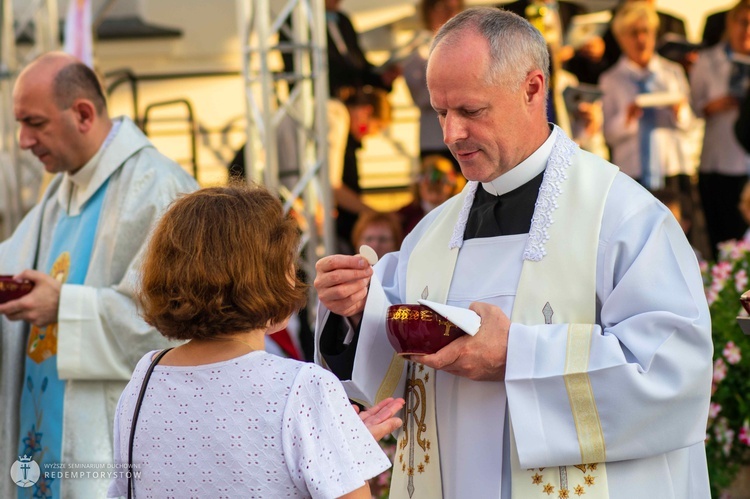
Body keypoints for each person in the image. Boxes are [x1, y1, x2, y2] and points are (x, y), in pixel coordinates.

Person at [313, 7, 712, 499]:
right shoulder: (430, 235)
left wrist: (516, 356)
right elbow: (388, 376)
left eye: (471, 111)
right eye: (441, 112)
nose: (450, 135)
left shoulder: (623, 218)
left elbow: (672, 372)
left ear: (532, 88)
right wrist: (356, 312)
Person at [107, 185, 404, 498]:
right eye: (288, 259)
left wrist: (339, 449)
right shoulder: (302, 387)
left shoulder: (145, 377)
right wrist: (345, 455)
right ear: (266, 274)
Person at [0, 52, 198, 499]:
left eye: (34, 123)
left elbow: (174, 323)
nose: (23, 140)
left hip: (105, 437)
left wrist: (64, 306)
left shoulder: (158, 188)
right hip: (41, 421)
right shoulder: (62, 191)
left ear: (83, 114)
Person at [599, 2, 693, 194]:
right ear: (620, 38)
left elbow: (690, 124)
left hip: (672, 167)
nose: (640, 39)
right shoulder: (610, 79)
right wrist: (628, 118)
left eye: (646, 31)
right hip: (633, 170)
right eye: (633, 33)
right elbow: (608, 134)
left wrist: (679, 112)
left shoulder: (672, 72)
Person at [690, 0, 750, 254]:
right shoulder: (707, 60)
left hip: (747, 166)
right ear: (730, 23)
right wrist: (712, 106)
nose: (747, 30)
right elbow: (691, 108)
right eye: (743, 23)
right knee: (722, 245)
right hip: (717, 164)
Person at [403, 0, 465, 173]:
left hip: (467, 137)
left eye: (455, 9)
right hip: (434, 138)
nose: (451, 14)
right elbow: (420, 96)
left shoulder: (469, 43)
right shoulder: (418, 47)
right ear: (429, 11)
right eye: (444, 8)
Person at [396, 154, 462, 235]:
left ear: (452, 184)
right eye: (427, 180)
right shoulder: (404, 217)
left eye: (440, 180)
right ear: (419, 185)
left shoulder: (462, 212)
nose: (433, 184)